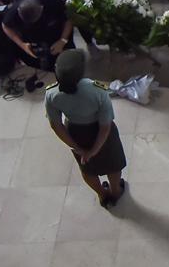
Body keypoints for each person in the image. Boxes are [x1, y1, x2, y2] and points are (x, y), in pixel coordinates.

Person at [46, 49, 127, 209]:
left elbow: (56, 125)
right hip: (101, 134)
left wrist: (78, 149)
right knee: (113, 163)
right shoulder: (97, 90)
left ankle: (102, 195)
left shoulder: (52, 93)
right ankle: (116, 191)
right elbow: (105, 126)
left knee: (88, 169)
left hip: (76, 133)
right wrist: (95, 149)